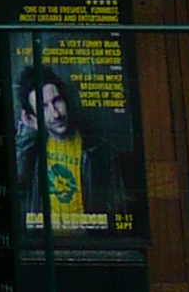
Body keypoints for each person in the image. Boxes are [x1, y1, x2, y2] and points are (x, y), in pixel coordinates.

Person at [15, 65, 115, 232]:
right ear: (32, 116)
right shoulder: (30, 153)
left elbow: (116, 205)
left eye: (57, 101)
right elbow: (15, 186)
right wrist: (27, 133)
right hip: (43, 247)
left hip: (90, 245)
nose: (55, 114)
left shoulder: (99, 150)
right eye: (43, 107)